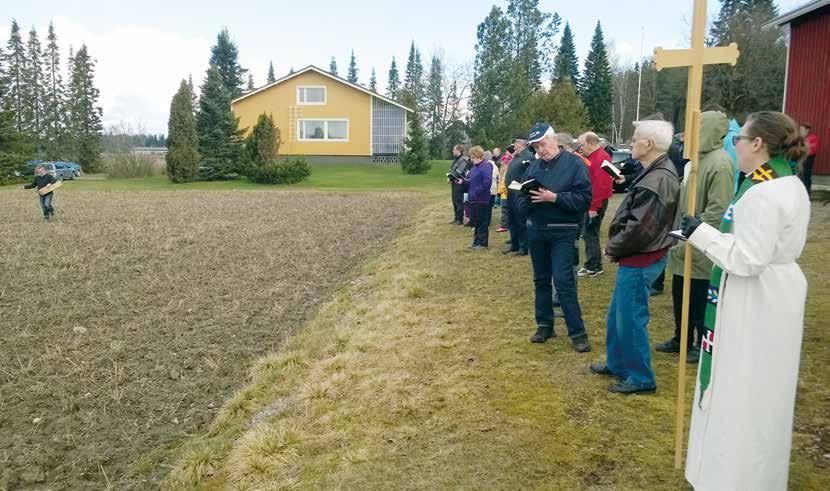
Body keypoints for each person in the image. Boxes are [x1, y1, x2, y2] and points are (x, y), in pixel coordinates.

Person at [679, 112, 810, 490]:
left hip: (754, 299)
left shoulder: (763, 193)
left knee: (740, 384)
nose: (733, 145)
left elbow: (749, 259)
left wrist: (699, 233)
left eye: (739, 139)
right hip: (776, 293)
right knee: (765, 387)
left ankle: (732, 476)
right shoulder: (788, 182)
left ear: (757, 144)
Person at [590, 119, 680, 394]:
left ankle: (641, 377)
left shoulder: (659, 177)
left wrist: (613, 248)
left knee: (631, 317)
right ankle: (618, 363)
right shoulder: (654, 171)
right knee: (618, 314)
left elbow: (641, 228)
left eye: (635, 138)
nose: (631, 142)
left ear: (649, 144)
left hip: (642, 256)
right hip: (636, 256)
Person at [656, 111, 735, 364]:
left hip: (701, 245)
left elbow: (717, 209)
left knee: (699, 298)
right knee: (680, 293)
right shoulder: (694, 162)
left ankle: (701, 344)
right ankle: (681, 338)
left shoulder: (720, 163)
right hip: (683, 242)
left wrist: (698, 235)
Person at [516, 122, 592, 352]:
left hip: (563, 231)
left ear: (555, 140)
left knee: (563, 281)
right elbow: (521, 201)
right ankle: (545, 324)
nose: (540, 150)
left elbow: (583, 199)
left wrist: (554, 198)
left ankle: (577, 332)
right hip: (537, 230)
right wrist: (527, 201)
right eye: (536, 146)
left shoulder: (575, 165)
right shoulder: (533, 168)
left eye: (543, 144)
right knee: (540, 280)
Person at [577, 132, 613, 278]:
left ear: (591, 143)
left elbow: (600, 185)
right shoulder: (595, 157)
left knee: (590, 233)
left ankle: (593, 266)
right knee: (589, 233)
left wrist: (594, 206)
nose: (581, 147)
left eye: (582, 144)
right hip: (593, 200)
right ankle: (593, 264)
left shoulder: (600, 158)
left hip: (595, 201)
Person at [459, 146, 494, 249]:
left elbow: (487, 183)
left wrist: (476, 192)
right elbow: (470, 181)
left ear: (479, 156)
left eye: (473, 157)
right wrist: (463, 181)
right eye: (471, 157)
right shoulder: (474, 168)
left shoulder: (487, 166)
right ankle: (476, 241)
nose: (472, 159)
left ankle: (482, 243)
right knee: (476, 222)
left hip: (482, 199)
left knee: (482, 222)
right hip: (473, 199)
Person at [503, 133, 533, 256]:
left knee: (520, 221)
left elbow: (529, 174)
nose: (514, 145)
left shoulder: (528, 156)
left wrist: (520, 188)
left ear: (521, 143)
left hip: (520, 193)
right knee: (512, 220)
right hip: (510, 192)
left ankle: (523, 246)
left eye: (515, 142)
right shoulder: (516, 156)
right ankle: (514, 244)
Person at [448, 144, 470, 225]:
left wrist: (451, 177)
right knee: (454, 201)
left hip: (460, 183)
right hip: (454, 183)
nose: (453, 151)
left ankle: (459, 219)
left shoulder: (463, 160)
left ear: (458, 150)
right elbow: (451, 169)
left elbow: (459, 172)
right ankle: (456, 218)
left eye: (454, 149)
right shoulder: (455, 160)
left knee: (458, 201)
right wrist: (449, 177)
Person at [496, 145, 514, 232]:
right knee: (505, 209)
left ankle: (504, 225)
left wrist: (500, 191)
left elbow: (504, 180)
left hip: (505, 192)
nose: (505, 153)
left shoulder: (508, 164)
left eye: (507, 151)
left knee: (505, 209)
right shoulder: (504, 162)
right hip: (503, 190)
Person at [799, 122, 819, 197]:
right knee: (799, 176)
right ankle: (800, 194)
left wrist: (803, 148)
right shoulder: (800, 138)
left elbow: (811, 151)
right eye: (800, 129)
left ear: (807, 130)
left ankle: (807, 194)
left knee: (806, 177)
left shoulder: (813, 138)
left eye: (802, 129)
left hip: (808, 160)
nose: (800, 131)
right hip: (800, 159)